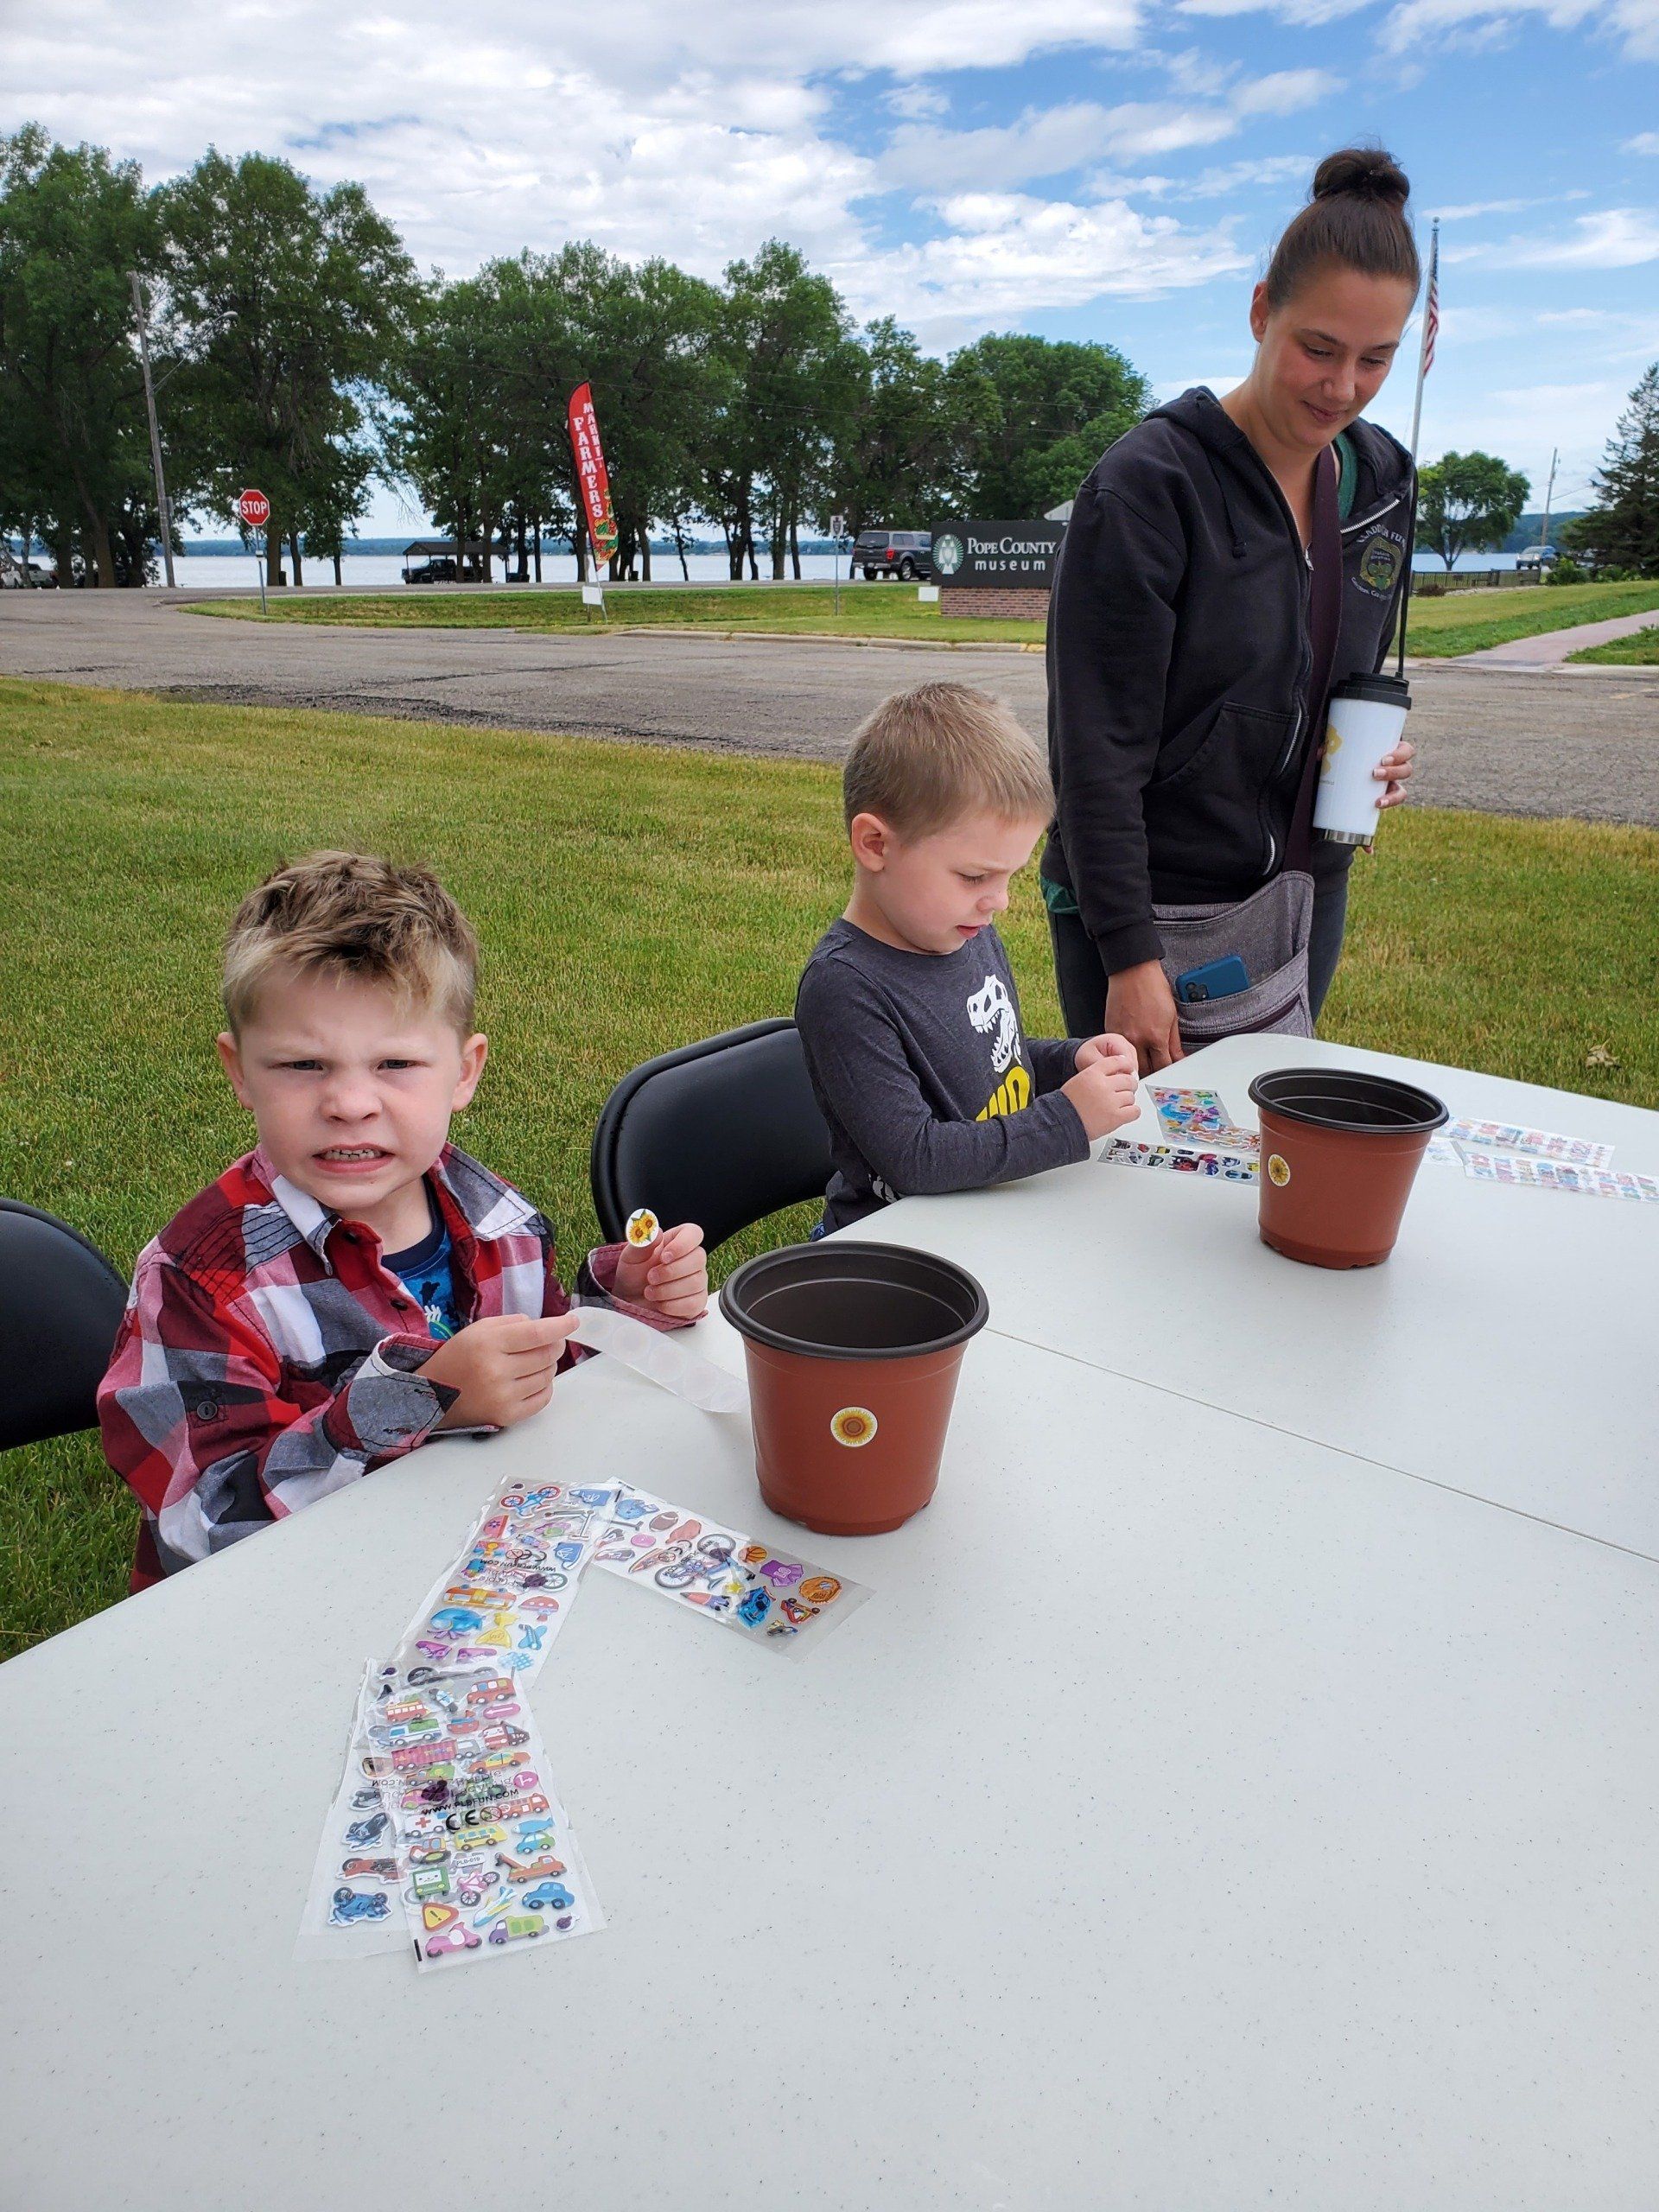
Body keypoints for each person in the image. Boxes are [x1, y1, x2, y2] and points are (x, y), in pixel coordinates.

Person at [98, 850, 709, 1591]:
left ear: (464, 1072)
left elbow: (539, 1379)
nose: (350, 1104)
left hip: (470, 1573)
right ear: (240, 1071)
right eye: (302, 1066)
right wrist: (417, 1401)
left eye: (395, 1065)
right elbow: (202, 1524)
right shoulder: (201, 1283)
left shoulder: (498, 1221)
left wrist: (624, 1305)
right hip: (295, 1605)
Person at [1044, 146, 1422, 1071]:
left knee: (1271, 1135)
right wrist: (1127, 954)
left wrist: (1369, 756)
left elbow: (1336, 675)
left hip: (1302, 886)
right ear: (1260, 311)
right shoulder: (1150, 485)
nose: (1343, 388)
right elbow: (1094, 747)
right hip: (1144, 902)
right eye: (1318, 349)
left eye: (1376, 359)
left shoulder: (1381, 482)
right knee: (1138, 1146)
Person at [795, 681, 1140, 1235]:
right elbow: (915, 1158)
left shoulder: (965, 930)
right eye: (976, 876)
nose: (999, 901)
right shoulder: (845, 987)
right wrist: (1068, 1119)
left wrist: (1069, 1061)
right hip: (898, 1246)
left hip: (987, 1215)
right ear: (876, 845)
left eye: (1010, 877)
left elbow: (986, 1063)